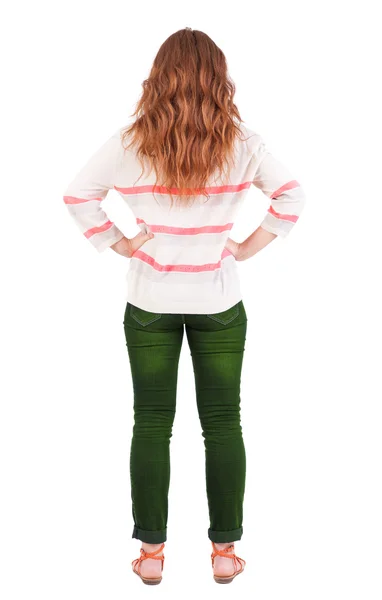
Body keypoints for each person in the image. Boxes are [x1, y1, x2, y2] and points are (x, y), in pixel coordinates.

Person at [63, 27, 306, 585]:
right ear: (218, 78)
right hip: (219, 300)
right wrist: (244, 247)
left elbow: (77, 193)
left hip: (148, 300)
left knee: (151, 422)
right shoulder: (241, 141)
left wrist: (120, 243)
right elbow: (292, 195)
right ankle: (224, 553)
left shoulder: (132, 141)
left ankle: (151, 556)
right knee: (223, 423)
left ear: (160, 77)